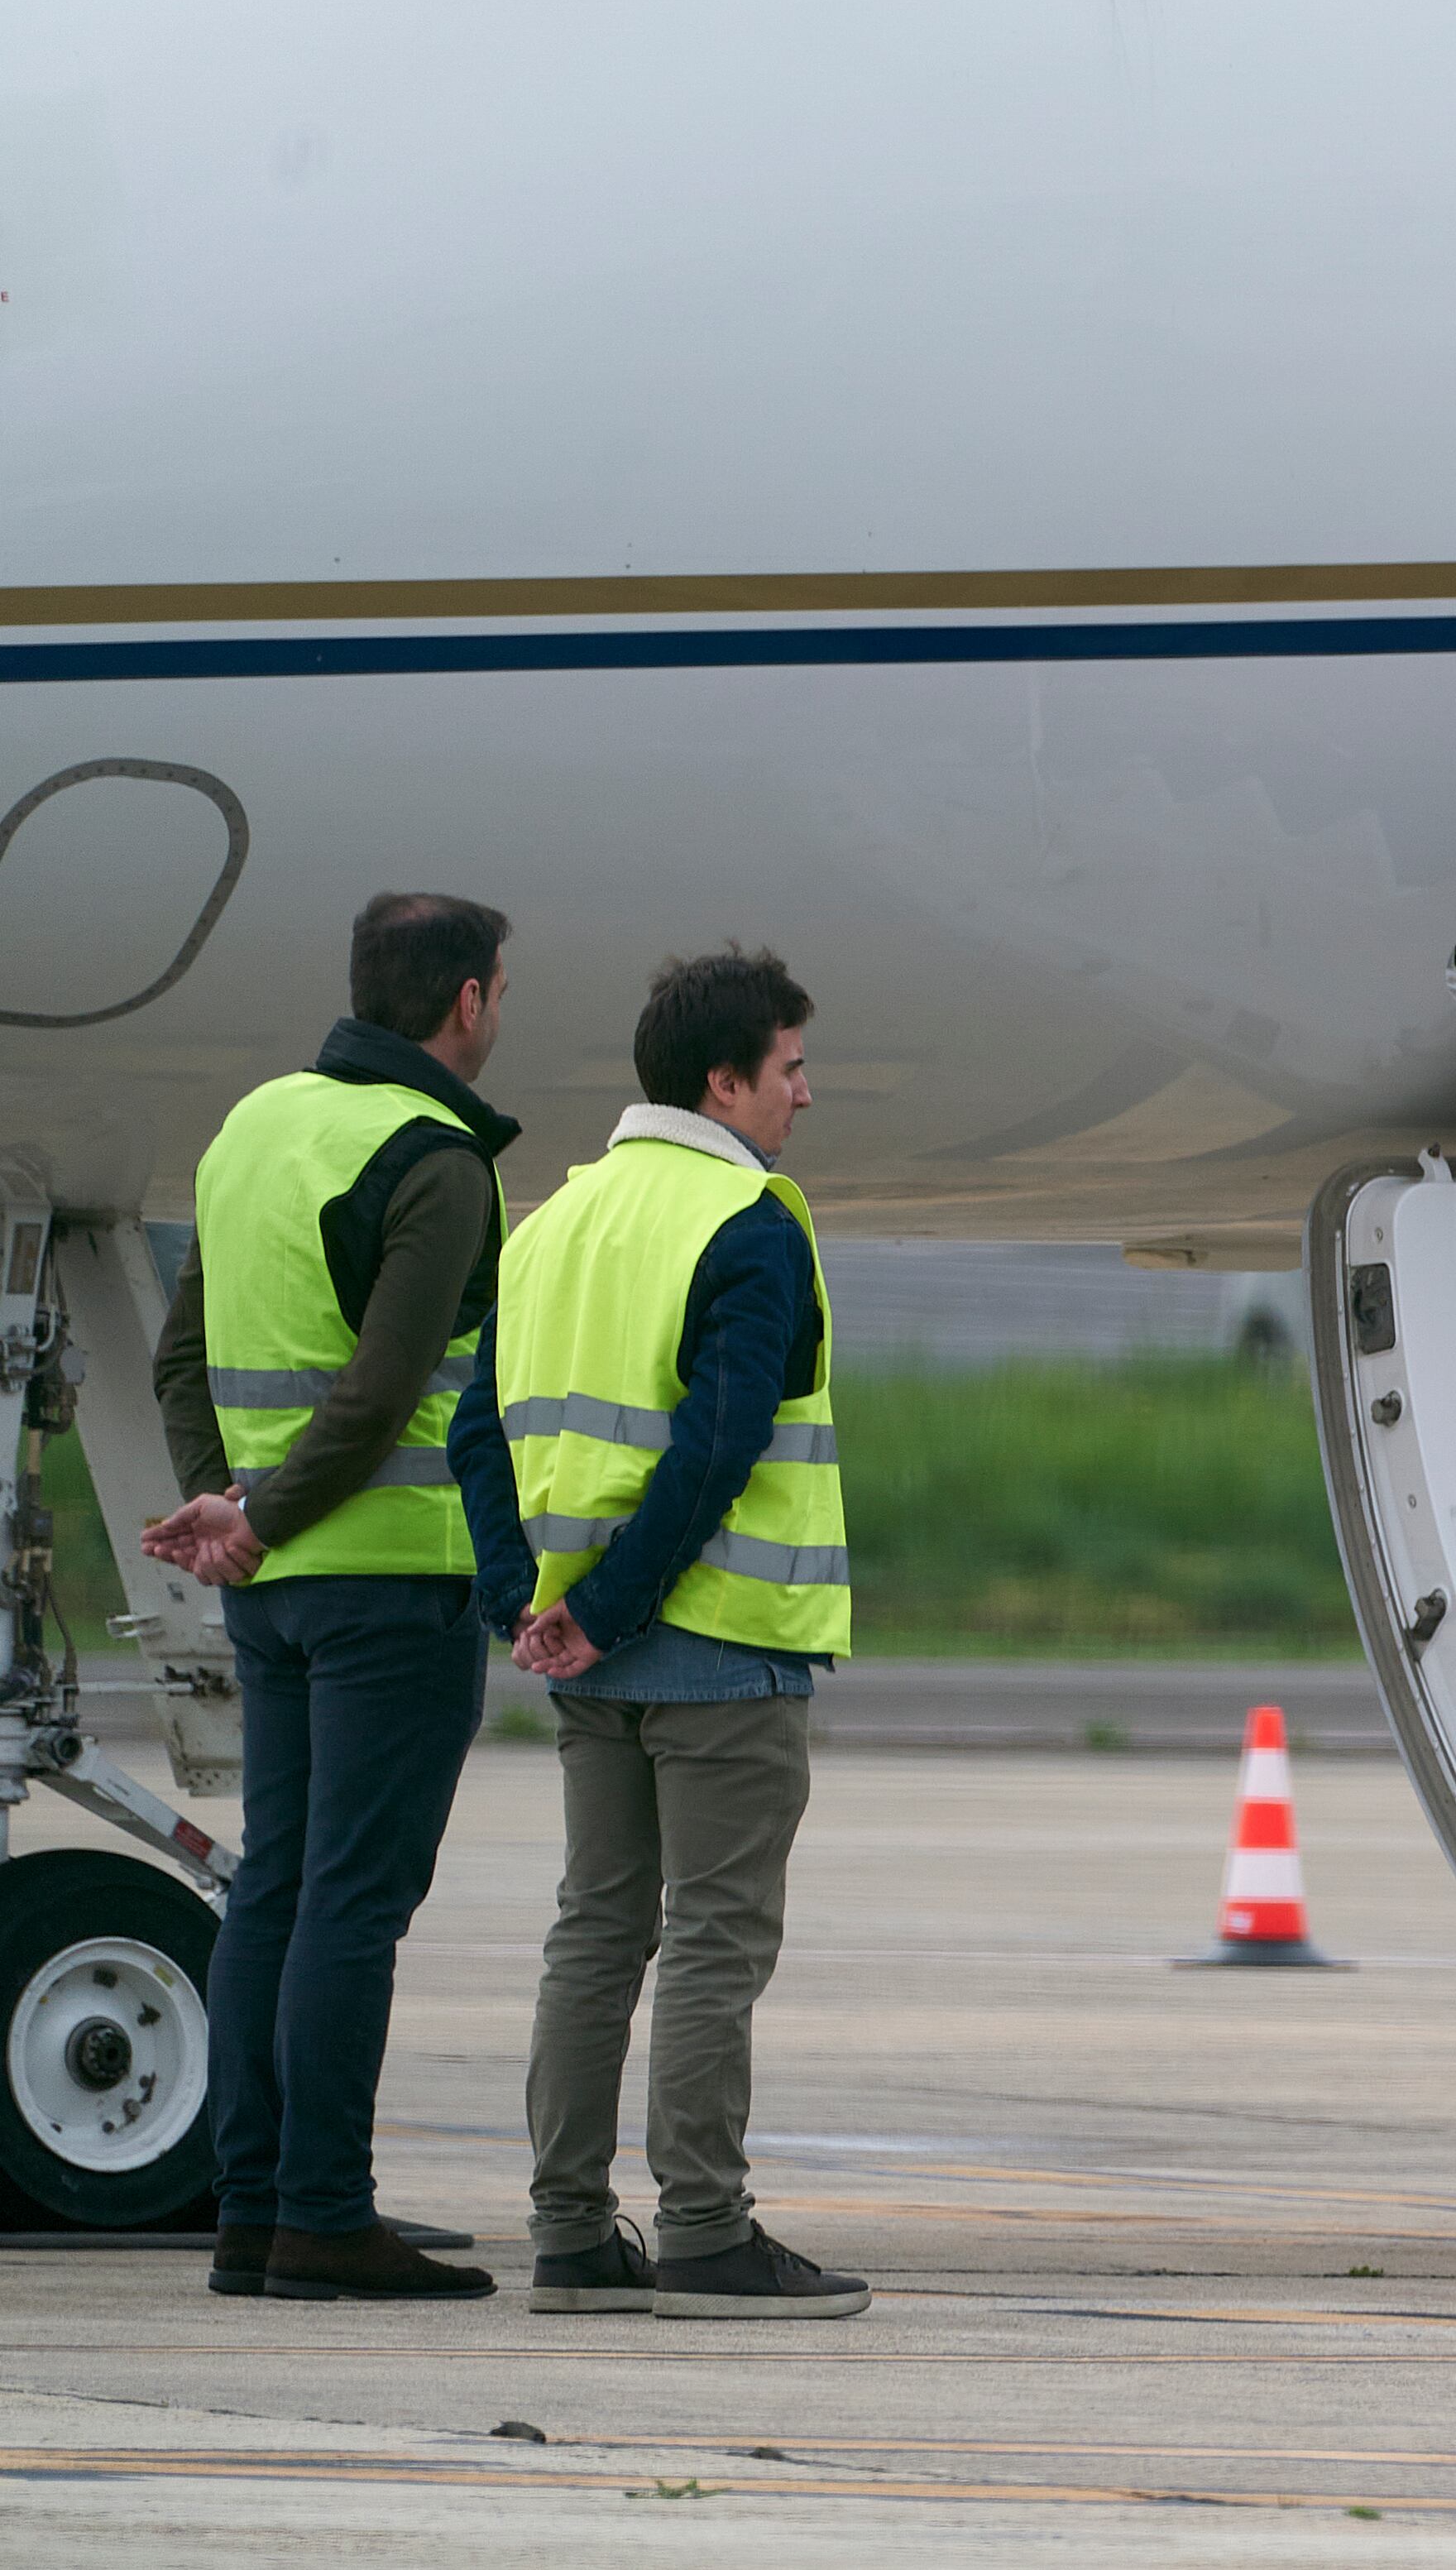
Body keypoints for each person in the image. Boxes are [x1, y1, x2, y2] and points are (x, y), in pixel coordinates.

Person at [144, 891, 524, 2304]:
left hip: (276, 1588)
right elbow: (381, 1388)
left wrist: (228, 1507)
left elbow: (187, 1359)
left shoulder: (252, 1127)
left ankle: (254, 2209)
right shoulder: (435, 1157)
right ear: (468, 1001)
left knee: (278, 1887)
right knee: (356, 1902)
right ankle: (324, 2212)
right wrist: (261, 1511)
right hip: (387, 1581)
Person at [486, 946, 868, 2320]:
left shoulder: (555, 1220)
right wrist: (601, 1608)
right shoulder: (748, 1217)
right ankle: (705, 2226)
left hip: (588, 1650)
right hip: (714, 1641)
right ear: (724, 1079)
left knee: (594, 1932)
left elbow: (480, 1427)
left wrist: (528, 1601)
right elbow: (719, 1440)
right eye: (790, 1067)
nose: (804, 1096)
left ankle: (570, 2229)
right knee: (712, 1938)